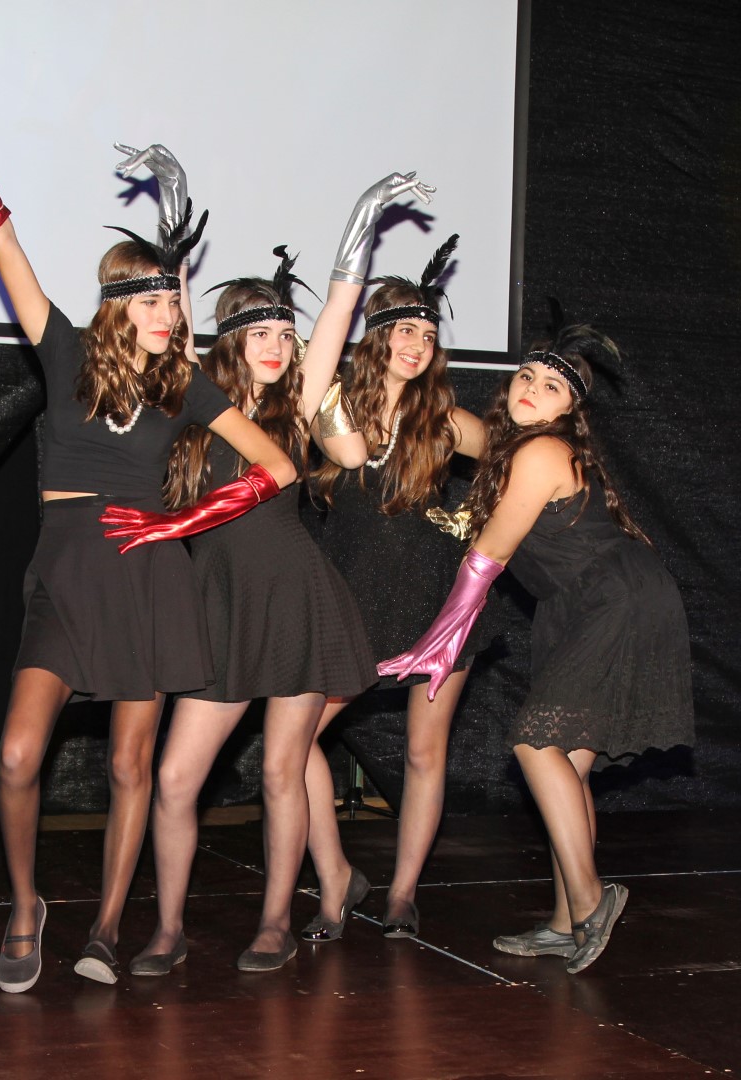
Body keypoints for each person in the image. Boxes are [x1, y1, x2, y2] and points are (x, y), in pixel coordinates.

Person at [0, 121, 297, 992]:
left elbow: (278, 467)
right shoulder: (65, 349)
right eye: (154, 304)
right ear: (118, 305)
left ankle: (108, 926)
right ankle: (25, 905)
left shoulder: (186, 385)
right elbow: (5, 248)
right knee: (15, 756)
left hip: (147, 577)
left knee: (128, 765)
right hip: (67, 575)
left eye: (174, 304)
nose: (169, 316)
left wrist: (177, 526)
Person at [130, 174, 430, 976]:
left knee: (280, 769)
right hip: (218, 606)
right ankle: (167, 929)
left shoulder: (295, 404)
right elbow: (172, 317)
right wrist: (171, 215)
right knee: (175, 778)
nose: (276, 344)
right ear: (230, 341)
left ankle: (274, 924)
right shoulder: (193, 398)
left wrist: (365, 216)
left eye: (284, 334)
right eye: (260, 332)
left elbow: (338, 308)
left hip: (296, 600)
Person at [379, 323, 693, 974]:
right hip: (576, 607)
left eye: (551, 386)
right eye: (526, 375)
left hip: (612, 600)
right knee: (567, 768)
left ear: (569, 410)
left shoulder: (544, 450)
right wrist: (398, 364)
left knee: (534, 742)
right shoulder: (511, 446)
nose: (531, 387)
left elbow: (485, 559)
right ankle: (564, 923)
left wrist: (437, 644)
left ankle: (591, 901)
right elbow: (433, 417)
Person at [303, 235, 497, 943]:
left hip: (436, 603)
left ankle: (404, 893)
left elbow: (521, 461)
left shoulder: (444, 422)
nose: (417, 344)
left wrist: (478, 528)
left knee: (424, 752)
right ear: (375, 337)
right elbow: (310, 384)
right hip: (353, 599)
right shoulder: (338, 411)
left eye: (428, 334)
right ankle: (336, 879)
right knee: (292, 745)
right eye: (404, 330)